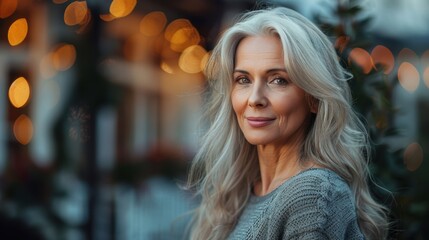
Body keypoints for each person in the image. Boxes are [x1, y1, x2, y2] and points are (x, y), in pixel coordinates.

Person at [186, 7, 389, 240]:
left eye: (278, 80)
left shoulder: (313, 194)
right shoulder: (241, 194)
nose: (254, 99)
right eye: (243, 80)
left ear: (314, 98)